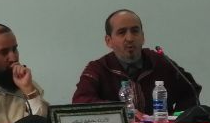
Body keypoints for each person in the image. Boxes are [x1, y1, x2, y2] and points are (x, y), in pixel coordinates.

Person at [73, 9, 202, 116]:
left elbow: (191, 89)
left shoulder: (160, 62)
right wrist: (121, 111)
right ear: (108, 41)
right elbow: (80, 101)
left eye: (135, 31)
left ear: (143, 36)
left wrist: (179, 117)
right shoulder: (98, 68)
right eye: (121, 32)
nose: (130, 38)